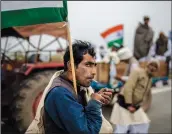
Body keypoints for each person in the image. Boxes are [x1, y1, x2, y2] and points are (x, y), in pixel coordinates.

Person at [25, 40, 113, 134]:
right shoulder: (60, 93)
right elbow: (87, 131)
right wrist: (94, 104)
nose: (94, 72)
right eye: (88, 65)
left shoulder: (77, 86)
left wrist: (96, 98)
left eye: (94, 65)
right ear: (71, 66)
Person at [110, 58, 160, 133]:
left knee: (143, 124)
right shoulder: (137, 72)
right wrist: (129, 105)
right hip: (124, 104)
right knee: (122, 129)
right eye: (151, 65)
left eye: (155, 66)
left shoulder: (149, 79)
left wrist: (143, 107)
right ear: (147, 65)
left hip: (135, 106)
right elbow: (128, 87)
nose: (152, 68)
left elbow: (147, 96)